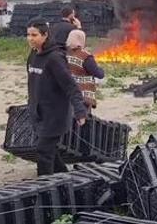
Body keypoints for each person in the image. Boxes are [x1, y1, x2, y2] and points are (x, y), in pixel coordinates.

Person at [26, 18, 87, 176]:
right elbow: (33, 84)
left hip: (55, 115)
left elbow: (70, 86)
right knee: (50, 150)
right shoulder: (33, 56)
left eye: (34, 35)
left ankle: (45, 189)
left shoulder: (54, 58)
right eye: (28, 35)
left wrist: (80, 111)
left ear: (45, 35)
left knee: (43, 151)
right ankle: (65, 177)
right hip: (39, 113)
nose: (30, 39)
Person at [66, 29, 105, 111]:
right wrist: (101, 70)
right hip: (82, 95)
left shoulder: (64, 53)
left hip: (67, 94)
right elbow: (98, 74)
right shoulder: (85, 56)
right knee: (84, 120)